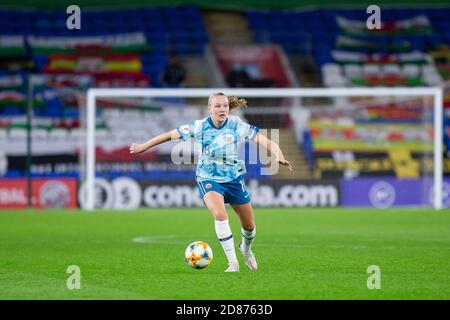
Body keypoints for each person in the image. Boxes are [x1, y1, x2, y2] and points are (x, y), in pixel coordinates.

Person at [129, 92, 292, 272]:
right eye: (217, 106)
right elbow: (169, 135)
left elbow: (266, 140)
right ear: (209, 109)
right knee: (221, 215)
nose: (222, 109)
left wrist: (278, 155)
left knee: (249, 227)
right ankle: (233, 263)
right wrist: (143, 147)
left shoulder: (237, 125)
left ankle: (245, 249)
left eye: (225, 106)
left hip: (233, 179)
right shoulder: (199, 127)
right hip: (208, 178)